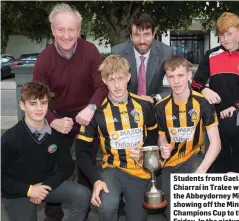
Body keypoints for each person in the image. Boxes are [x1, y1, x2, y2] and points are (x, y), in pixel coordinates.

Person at [33, 3, 108, 220]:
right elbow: (38, 96)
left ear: (79, 30)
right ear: (52, 30)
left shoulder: (91, 51)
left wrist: (91, 108)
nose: (66, 35)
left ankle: (82, 211)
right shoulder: (44, 58)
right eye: (60, 29)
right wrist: (52, 120)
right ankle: (53, 214)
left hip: (88, 115)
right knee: (54, 165)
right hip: (57, 116)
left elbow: (101, 86)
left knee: (86, 163)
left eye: (71, 30)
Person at [75, 55, 158, 221]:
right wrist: (96, 180)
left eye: (121, 78)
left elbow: (153, 135)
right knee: (106, 207)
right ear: (104, 80)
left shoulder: (144, 105)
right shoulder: (96, 112)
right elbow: (81, 152)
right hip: (112, 170)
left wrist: (144, 153)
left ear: (128, 77)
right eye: (111, 80)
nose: (117, 85)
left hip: (139, 172)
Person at [1, 81, 91, 221]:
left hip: (45, 186)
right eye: (33, 103)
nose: (39, 108)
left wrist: (44, 187)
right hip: (18, 192)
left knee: (82, 194)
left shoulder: (55, 134)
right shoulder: (10, 138)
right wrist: (30, 190)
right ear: (22, 105)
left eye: (43, 103)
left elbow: (66, 166)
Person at [155, 55, 221, 221]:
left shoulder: (203, 103)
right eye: (171, 76)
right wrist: (163, 146)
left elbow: (216, 143)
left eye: (180, 75)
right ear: (166, 78)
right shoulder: (161, 107)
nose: (176, 81)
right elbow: (161, 137)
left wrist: (201, 171)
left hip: (193, 159)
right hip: (170, 163)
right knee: (172, 213)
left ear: (189, 75)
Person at [191, 12, 239, 118]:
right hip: (214, 117)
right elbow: (195, 82)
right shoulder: (210, 55)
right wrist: (204, 89)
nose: (225, 39)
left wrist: (236, 107)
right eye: (222, 35)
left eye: (229, 34)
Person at [111, 12, 173, 104]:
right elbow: (111, 84)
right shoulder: (118, 52)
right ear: (131, 36)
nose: (142, 41)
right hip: (126, 106)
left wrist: (156, 98)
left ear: (154, 33)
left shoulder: (165, 52)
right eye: (136, 35)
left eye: (146, 34)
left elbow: (180, 85)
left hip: (154, 106)